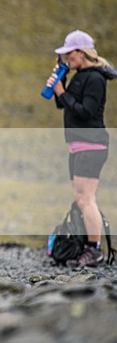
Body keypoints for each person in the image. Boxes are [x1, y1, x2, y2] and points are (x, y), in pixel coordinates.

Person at [49, 29, 117, 266]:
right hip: (77, 146)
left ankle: (94, 249)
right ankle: (85, 243)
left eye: (70, 54)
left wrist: (62, 93)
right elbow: (64, 105)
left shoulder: (96, 79)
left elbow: (85, 111)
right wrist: (61, 82)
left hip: (92, 145)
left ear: (81, 52)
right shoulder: (79, 76)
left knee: (86, 198)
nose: (67, 58)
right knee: (80, 197)